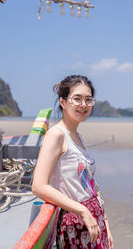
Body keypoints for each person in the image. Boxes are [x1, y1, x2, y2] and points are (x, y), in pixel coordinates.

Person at [32, 75, 113, 249]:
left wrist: (105, 223)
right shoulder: (56, 135)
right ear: (63, 101)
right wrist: (82, 210)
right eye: (77, 99)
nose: (83, 105)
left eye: (88, 100)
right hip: (75, 222)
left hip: (93, 219)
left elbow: (90, 184)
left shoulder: (78, 137)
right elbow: (38, 186)